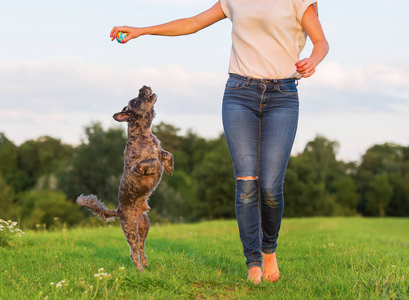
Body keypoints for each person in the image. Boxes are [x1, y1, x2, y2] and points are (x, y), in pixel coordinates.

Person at [110, 0, 329, 285]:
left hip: (283, 96)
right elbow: (192, 23)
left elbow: (321, 41)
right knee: (246, 183)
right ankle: (253, 261)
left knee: (271, 188)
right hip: (239, 93)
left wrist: (313, 59)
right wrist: (142, 30)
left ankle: (268, 250)